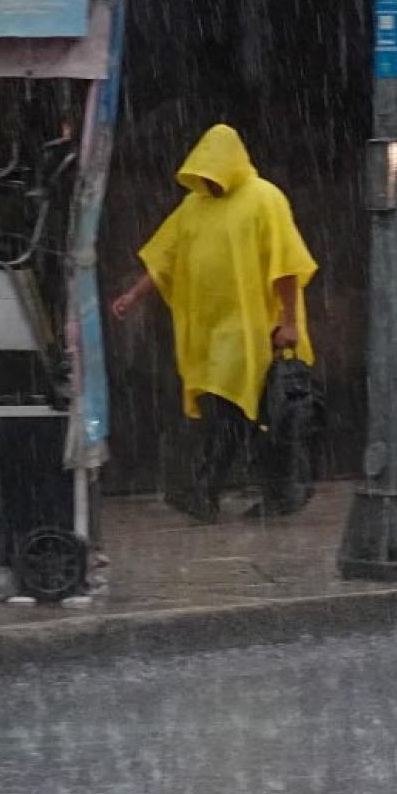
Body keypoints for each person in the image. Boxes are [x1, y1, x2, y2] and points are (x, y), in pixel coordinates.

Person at [111, 124, 319, 521]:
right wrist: (134, 295)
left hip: (257, 329)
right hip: (212, 334)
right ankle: (270, 492)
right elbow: (166, 257)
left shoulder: (264, 199)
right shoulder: (193, 206)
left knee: (257, 413)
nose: (209, 181)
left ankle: (211, 490)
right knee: (244, 414)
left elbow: (287, 264)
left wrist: (288, 321)